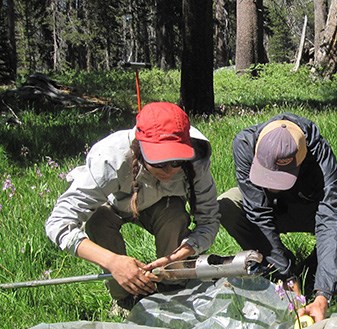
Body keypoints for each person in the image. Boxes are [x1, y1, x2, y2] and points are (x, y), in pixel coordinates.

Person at [46, 102, 220, 310]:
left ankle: (173, 288)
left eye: (177, 162)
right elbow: (58, 223)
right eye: (159, 163)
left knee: (174, 214)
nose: (169, 170)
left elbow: (209, 221)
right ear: (140, 148)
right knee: (97, 220)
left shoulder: (196, 159)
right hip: (112, 206)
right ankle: (125, 299)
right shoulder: (110, 158)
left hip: (161, 207)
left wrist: (178, 255)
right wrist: (113, 262)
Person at [218, 113, 337, 323]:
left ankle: (324, 271)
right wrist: (285, 273)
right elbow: (258, 213)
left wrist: (324, 292)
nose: (271, 185)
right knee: (226, 203)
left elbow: (329, 218)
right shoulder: (244, 144)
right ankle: (270, 268)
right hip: (271, 211)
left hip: (310, 210)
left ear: (302, 156)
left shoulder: (319, 152)